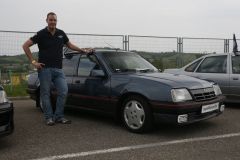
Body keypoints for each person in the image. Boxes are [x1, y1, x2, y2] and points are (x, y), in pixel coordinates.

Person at [22, 12, 93, 126]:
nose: (53, 22)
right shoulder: (41, 34)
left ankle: (59, 116)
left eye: (54, 20)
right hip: (45, 69)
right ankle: (49, 117)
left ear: (56, 21)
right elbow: (25, 46)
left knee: (63, 91)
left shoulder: (61, 33)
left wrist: (82, 50)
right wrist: (33, 62)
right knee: (45, 94)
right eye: (51, 20)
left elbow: (69, 45)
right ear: (47, 20)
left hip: (58, 70)